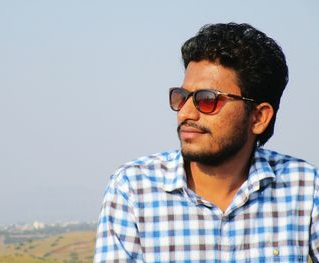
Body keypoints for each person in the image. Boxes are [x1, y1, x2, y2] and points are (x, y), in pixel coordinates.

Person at [94, 23, 319, 262]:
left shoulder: (303, 187)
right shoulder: (134, 189)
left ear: (258, 117)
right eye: (181, 98)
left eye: (207, 100)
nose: (185, 114)